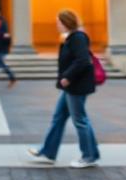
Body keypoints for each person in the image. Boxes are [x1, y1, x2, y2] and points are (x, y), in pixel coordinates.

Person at [26, 10, 101, 169]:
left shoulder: (78, 38)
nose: (56, 25)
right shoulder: (72, 37)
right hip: (71, 86)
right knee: (59, 118)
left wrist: (67, 76)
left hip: (76, 86)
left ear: (66, 22)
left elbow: (83, 61)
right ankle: (48, 152)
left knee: (80, 121)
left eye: (58, 22)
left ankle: (89, 156)